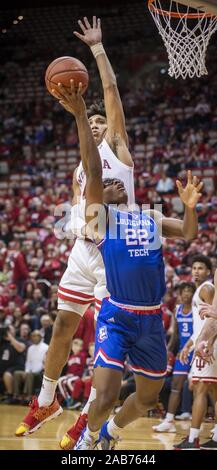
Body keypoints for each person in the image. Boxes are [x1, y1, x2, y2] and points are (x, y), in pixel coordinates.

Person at [54, 82, 202, 450]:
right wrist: (80, 119)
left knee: (148, 397)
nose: (110, 184)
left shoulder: (149, 217)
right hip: (117, 315)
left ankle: (111, 432)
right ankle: (88, 439)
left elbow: (187, 233)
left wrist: (191, 207)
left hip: (152, 319)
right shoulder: (100, 222)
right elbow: (90, 163)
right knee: (103, 395)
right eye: (103, 185)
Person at [15, 15, 135, 439]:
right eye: (93, 122)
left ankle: (90, 412)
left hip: (114, 252)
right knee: (63, 326)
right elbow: (77, 210)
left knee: (106, 339)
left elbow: (110, 93)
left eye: (102, 122)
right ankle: (46, 400)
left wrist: (98, 50)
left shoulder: (118, 151)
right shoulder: (81, 170)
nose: (98, 125)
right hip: (84, 250)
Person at [174, 255, 217, 449]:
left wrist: (207, 342)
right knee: (214, 391)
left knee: (199, 387)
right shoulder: (199, 291)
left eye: (201, 268)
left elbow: (213, 318)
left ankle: (193, 439)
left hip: (209, 344)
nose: (197, 271)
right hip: (205, 341)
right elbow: (200, 325)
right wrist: (188, 345)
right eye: (194, 268)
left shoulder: (208, 289)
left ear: (209, 271)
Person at [152, 282, 195, 433]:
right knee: (176, 386)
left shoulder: (197, 309)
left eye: (189, 291)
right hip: (183, 354)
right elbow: (176, 335)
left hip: (197, 353)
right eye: (183, 291)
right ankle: (169, 420)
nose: (186, 293)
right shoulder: (177, 310)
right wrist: (168, 350)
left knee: (207, 389)